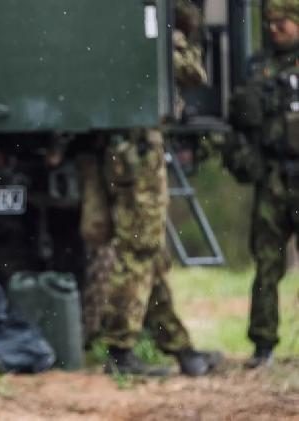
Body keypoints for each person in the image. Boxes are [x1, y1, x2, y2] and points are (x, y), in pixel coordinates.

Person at [78, 0, 221, 377]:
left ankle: (179, 347)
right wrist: (182, 37)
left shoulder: (110, 27)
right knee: (139, 249)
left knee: (150, 252)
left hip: (121, 149)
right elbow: (193, 73)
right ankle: (120, 350)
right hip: (139, 151)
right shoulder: (152, 30)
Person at [224, 0, 299, 369]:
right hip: (272, 176)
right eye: (269, 22)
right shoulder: (258, 66)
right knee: (267, 262)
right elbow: (239, 122)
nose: (274, 29)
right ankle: (263, 345)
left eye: (282, 22)